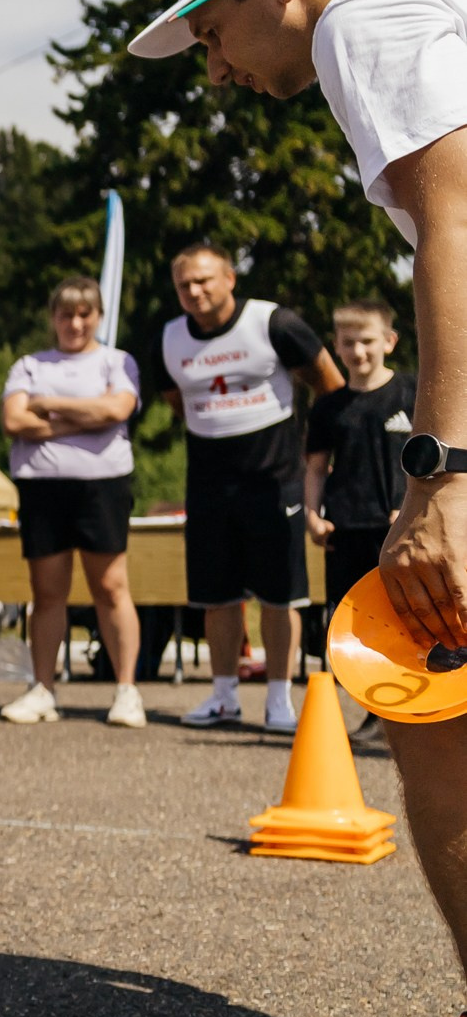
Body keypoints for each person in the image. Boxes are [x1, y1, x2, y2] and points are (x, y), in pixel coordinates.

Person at [128, 0, 467, 1017]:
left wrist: (441, 480)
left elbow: (456, 222)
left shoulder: (358, 23)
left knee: (430, 689)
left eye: (211, 33)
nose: (212, 69)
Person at [143, 242, 341, 732]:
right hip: (209, 485)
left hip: (276, 481)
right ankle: (223, 696)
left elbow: (331, 386)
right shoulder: (167, 339)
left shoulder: (273, 323)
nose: (194, 292)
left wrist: (318, 461)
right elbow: (177, 400)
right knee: (217, 596)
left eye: (204, 280)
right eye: (184, 284)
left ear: (230, 278)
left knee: (281, 596)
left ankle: (279, 701)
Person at [0, 277, 147, 729]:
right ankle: (43, 688)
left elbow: (116, 411)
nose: (75, 323)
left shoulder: (116, 361)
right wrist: (83, 419)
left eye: (85, 314)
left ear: (98, 317)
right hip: (42, 487)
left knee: (111, 587)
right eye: (66, 314)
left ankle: (126, 691)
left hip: (102, 487)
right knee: (47, 593)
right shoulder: (29, 364)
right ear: (53, 318)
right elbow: (13, 420)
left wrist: (49, 405)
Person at [304, 299, 416, 744]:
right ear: (336, 346)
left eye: (367, 341)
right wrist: (313, 515)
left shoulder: (414, 392)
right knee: (354, 626)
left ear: (389, 341)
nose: (359, 351)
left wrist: (412, 508)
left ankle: (409, 710)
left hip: (400, 530)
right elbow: (314, 467)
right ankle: (371, 711)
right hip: (346, 529)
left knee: (406, 621)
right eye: (348, 343)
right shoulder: (329, 407)